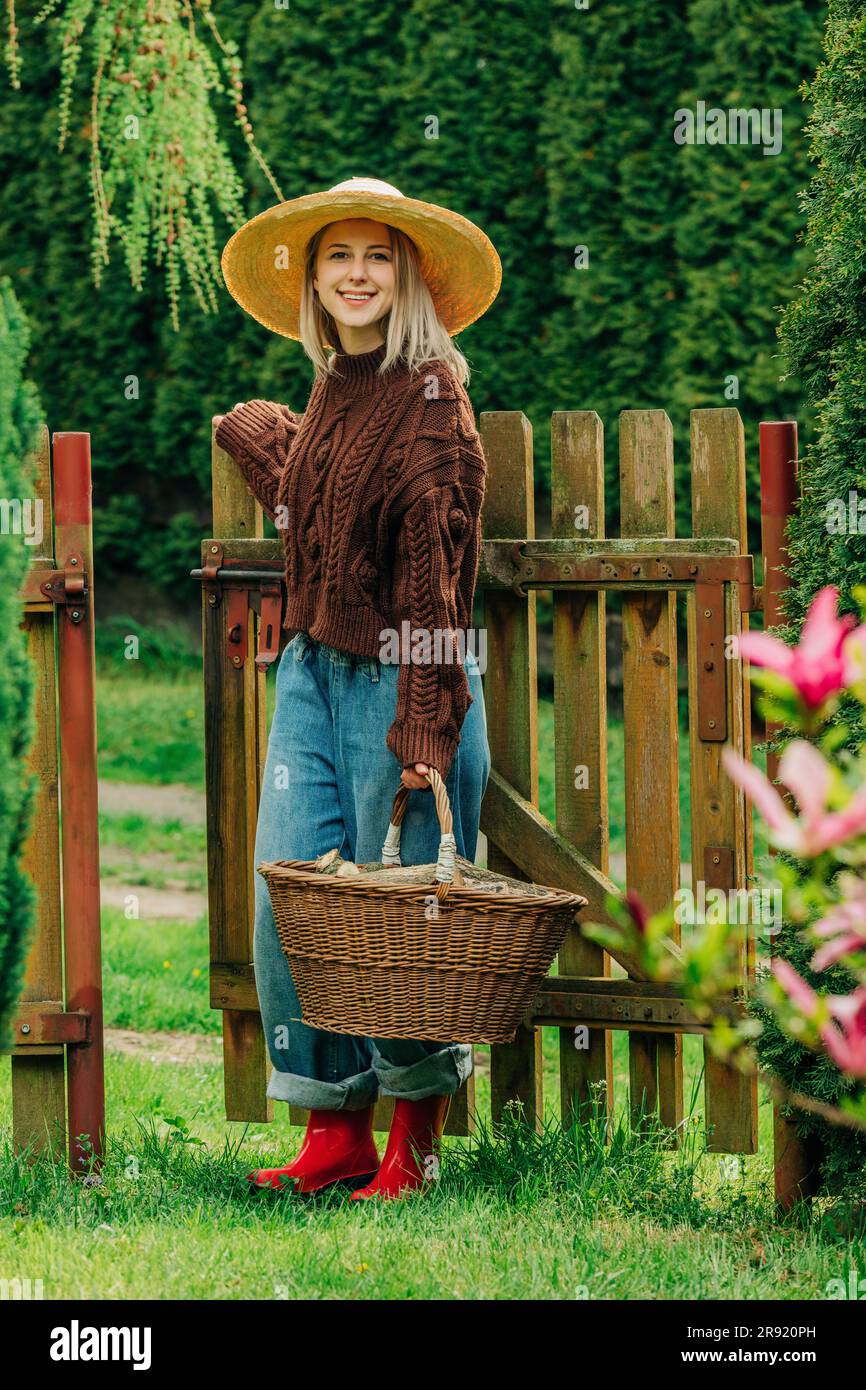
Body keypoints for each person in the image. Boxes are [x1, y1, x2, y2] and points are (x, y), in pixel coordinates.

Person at [215, 176, 500, 1200]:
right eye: (337, 256)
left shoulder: (433, 400)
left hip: (401, 682)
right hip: (310, 670)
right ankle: (331, 1131)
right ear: (313, 278)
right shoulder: (339, 382)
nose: (355, 273)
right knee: (289, 894)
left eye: (377, 256)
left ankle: (412, 1144)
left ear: (409, 275)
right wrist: (268, 445)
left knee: (403, 913)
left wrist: (424, 726)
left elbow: (432, 578)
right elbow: (330, 513)